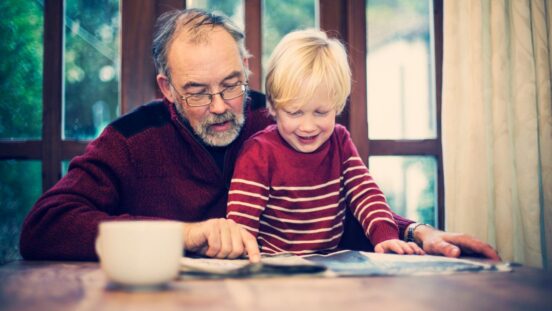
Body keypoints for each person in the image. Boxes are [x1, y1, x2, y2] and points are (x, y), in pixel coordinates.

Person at [19, 8, 500, 263]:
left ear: (247, 68)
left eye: (231, 84)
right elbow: (45, 227)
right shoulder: (130, 138)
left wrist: (416, 231)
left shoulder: (279, 116)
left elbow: (337, 197)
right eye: (197, 92)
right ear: (166, 88)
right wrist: (185, 236)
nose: (221, 106)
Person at [227, 29, 425, 256]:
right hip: (275, 265)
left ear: (337, 105)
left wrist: (386, 237)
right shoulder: (258, 152)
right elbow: (241, 225)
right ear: (273, 106)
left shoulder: (339, 141)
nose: (308, 126)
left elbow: (365, 192)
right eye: (295, 112)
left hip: (331, 262)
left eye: (321, 112)